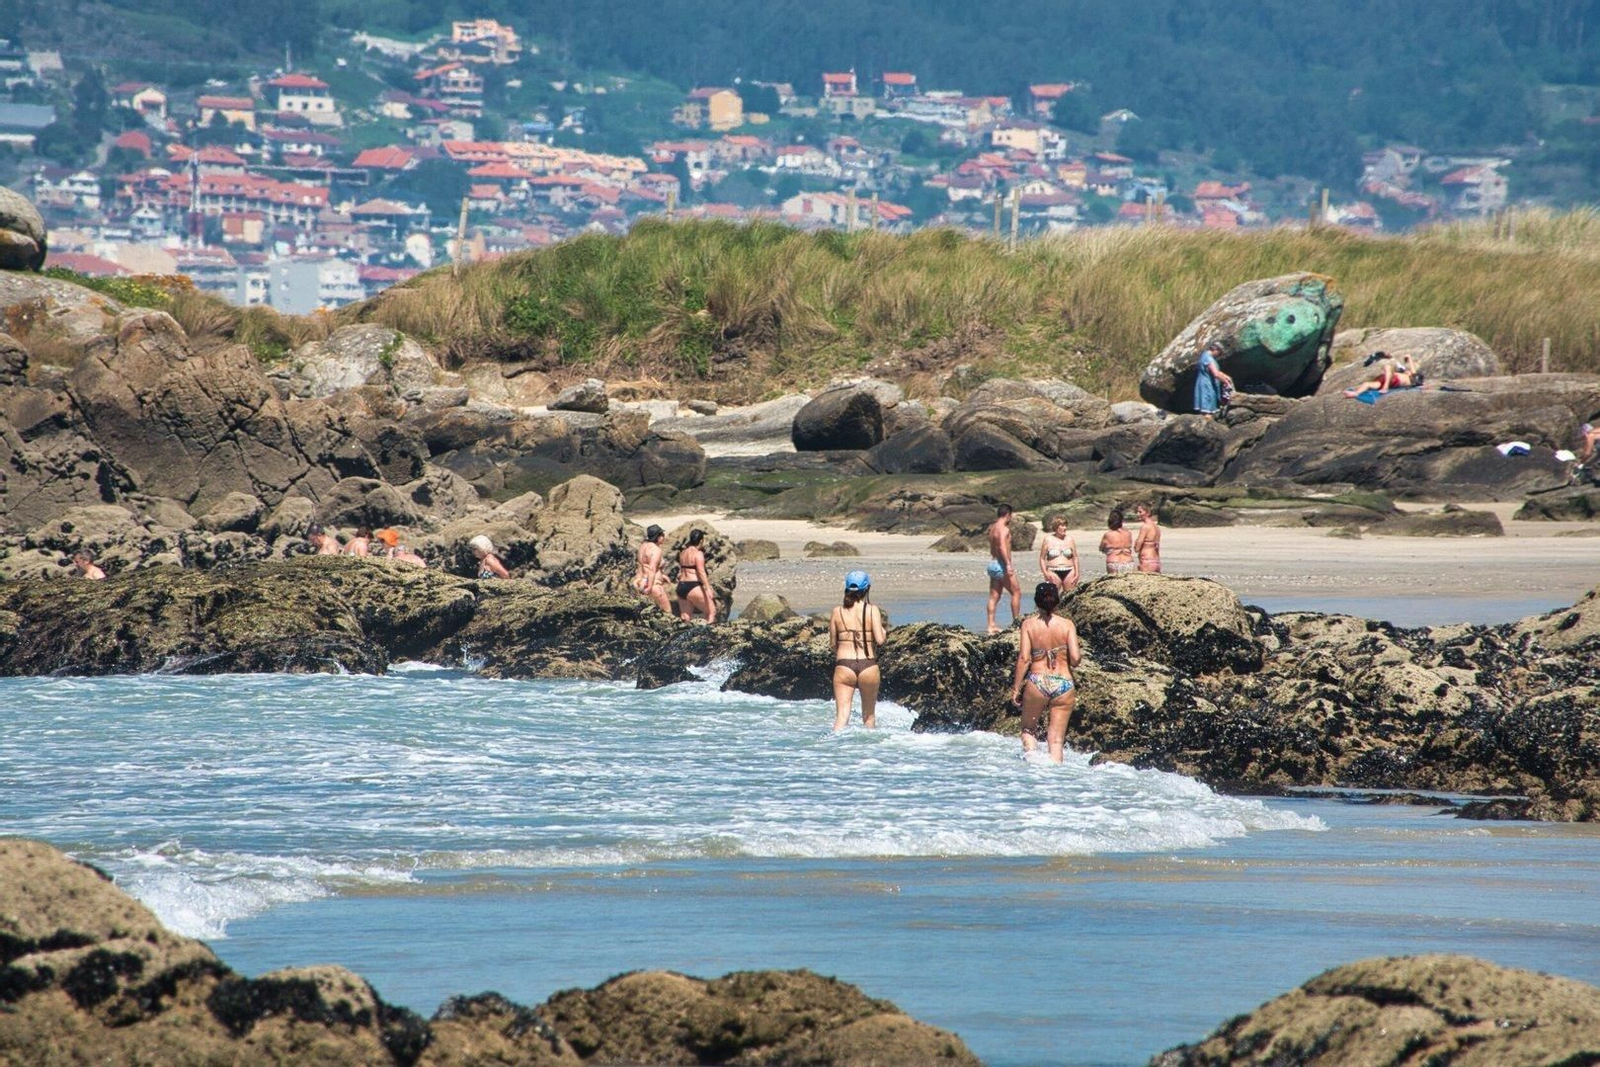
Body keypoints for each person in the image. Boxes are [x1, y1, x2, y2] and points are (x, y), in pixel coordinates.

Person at [1010, 582, 1081, 763]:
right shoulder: (1067, 625)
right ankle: (1053, 781)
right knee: (1056, 740)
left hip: (1038, 681)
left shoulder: (1028, 624)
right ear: (1057, 602)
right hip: (1064, 683)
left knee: (1028, 730)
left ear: (1036, 602)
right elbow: (1076, 659)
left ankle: (1033, 766)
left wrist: (1016, 688)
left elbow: (1024, 659)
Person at [830, 570, 887, 732]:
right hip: (868, 664)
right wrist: (883, 631)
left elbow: (833, 644)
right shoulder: (872, 610)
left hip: (843, 665)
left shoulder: (837, 612)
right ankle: (868, 754)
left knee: (842, 716)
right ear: (867, 589)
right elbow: (880, 640)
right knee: (868, 717)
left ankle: (833, 750)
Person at [985, 504, 1021, 634]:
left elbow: (992, 548)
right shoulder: (1004, 529)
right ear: (1008, 515)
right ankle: (1016, 623)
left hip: (993, 563)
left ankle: (991, 625)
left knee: (994, 596)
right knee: (1016, 592)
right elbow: (1001, 546)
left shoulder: (992, 528)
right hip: (1001, 564)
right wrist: (1008, 564)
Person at [674, 529, 717, 623]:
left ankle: (684, 634)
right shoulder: (698, 554)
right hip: (693, 585)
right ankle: (709, 635)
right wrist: (708, 587)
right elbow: (701, 572)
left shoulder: (683, 553)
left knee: (685, 616)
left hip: (681, 586)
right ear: (701, 541)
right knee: (711, 611)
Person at [1343, 352, 1422, 397]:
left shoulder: (1411, 377)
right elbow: (1398, 364)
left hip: (1392, 381)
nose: (1409, 371)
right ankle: (1355, 393)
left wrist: (1409, 358)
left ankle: (1385, 388)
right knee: (1367, 384)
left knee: (1388, 367)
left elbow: (1413, 370)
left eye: (1410, 372)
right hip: (1384, 380)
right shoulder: (1404, 372)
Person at [633, 524, 671, 613]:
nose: (664, 537)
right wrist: (649, 587)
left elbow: (641, 566)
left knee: (648, 614)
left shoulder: (643, 546)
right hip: (653, 584)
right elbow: (652, 569)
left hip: (641, 582)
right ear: (657, 536)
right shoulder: (656, 550)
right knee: (668, 612)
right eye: (662, 535)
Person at [1037, 514, 1079, 591]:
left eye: (1065, 525)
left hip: (1069, 570)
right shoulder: (1048, 540)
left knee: (1069, 597)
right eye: (1062, 526)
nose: (1065, 528)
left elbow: (1075, 557)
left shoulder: (1070, 540)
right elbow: (1042, 559)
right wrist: (1045, 573)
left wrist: (1077, 573)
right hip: (1053, 571)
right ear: (1056, 527)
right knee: (1052, 597)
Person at [1194, 342, 1234, 418]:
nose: (1219, 355)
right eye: (1220, 352)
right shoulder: (1208, 359)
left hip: (1204, 383)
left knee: (1205, 409)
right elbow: (1215, 373)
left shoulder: (1204, 355)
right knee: (1207, 411)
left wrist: (1225, 376)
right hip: (1207, 385)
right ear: (1216, 350)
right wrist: (1225, 382)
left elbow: (1216, 371)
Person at [1099, 509, 1135, 574]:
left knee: (1113, 582)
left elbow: (1101, 548)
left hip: (1114, 562)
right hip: (1128, 562)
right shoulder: (1128, 534)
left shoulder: (1108, 535)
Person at [1133, 503, 1162, 574]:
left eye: (1140, 512)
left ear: (1148, 513)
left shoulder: (1145, 527)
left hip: (1147, 560)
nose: (1138, 514)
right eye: (1137, 512)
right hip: (1156, 560)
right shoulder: (1156, 527)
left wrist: (1136, 543)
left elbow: (1137, 548)